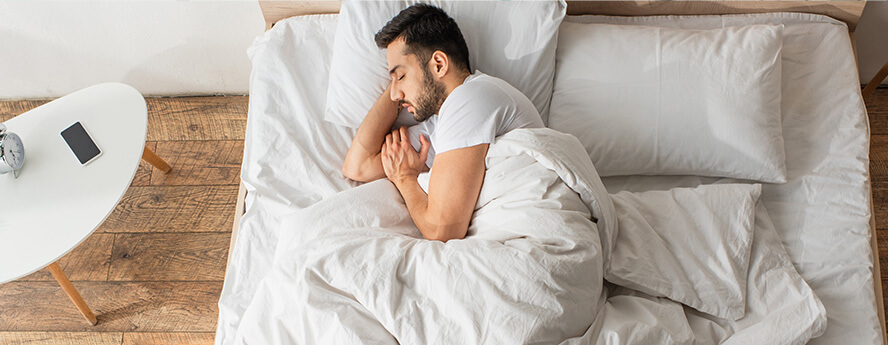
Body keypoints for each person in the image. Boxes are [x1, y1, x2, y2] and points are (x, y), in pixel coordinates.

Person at [341, 3, 544, 242]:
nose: (395, 95)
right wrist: (401, 82)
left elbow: (443, 230)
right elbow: (358, 166)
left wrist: (405, 179)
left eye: (401, 76)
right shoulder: (440, 123)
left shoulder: (473, 97)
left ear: (439, 64)